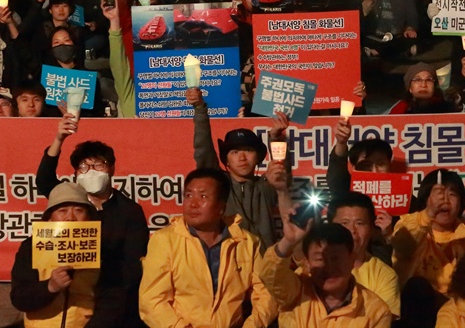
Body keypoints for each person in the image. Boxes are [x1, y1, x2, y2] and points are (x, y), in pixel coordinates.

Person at [35, 125, 149, 326]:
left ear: (111, 169)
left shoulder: (129, 211)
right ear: (76, 173)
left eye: (98, 165)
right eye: (84, 167)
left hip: (112, 295)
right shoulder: (70, 202)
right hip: (70, 291)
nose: (91, 172)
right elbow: (44, 180)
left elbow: (133, 263)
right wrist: (59, 139)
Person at [138, 168, 278, 328]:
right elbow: (152, 300)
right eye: (188, 195)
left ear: (221, 207)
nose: (193, 203)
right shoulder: (165, 240)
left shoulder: (246, 242)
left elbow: (267, 294)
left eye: (203, 196)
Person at [191, 86, 287, 250]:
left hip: (263, 267)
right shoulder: (219, 186)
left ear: (258, 158)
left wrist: (275, 137)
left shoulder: (267, 186)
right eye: (235, 152)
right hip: (227, 266)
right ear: (226, 160)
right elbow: (203, 149)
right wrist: (200, 109)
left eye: (248, 151)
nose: (242, 158)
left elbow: (280, 167)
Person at [392, 170, 465, 327]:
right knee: (418, 287)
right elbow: (402, 247)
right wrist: (429, 212)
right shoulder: (408, 225)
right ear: (426, 200)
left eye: (452, 194)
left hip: (461, 314)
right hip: (416, 314)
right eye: (438, 195)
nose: (445, 201)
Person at [256, 219, 392, 327]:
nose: (328, 267)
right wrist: (288, 241)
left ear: (352, 259)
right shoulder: (295, 292)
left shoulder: (376, 311)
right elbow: (269, 273)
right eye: (319, 259)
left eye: (336, 259)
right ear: (307, 263)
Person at [10, 182, 100, 327]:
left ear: (89, 217)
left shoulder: (101, 248)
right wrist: (50, 287)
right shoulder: (31, 246)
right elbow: (19, 298)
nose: (70, 218)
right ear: (49, 218)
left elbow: (111, 297)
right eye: (62, 211)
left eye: (78, 210)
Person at [328, 192, 400, 317]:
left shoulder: (384, 275)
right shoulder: (314, 269)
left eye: (359, 223)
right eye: (344, 223)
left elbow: (384, 320)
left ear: (371, 229)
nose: (352, 230)